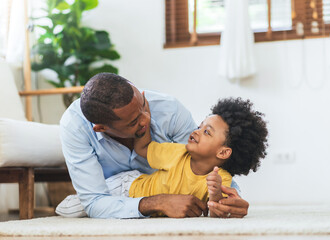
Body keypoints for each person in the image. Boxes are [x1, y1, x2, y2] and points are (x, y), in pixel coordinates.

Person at [59, 72, 252, 219]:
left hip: (159, 186)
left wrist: (230, 199)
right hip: (118, 188)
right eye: (133, 122)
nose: (146, 119)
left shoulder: (170, 110)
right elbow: (95, 201)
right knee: (78, 207)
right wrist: (157, 202)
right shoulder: (75, 127)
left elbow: (205, 163)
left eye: (143, 105)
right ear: (101, 128)